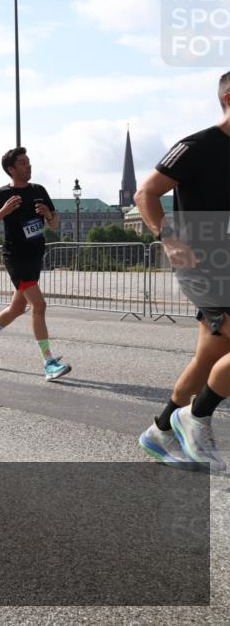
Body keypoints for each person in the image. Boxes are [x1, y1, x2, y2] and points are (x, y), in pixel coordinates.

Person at [135, 71, 230, 471]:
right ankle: (198, 415)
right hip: (203, 264)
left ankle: (160, 430)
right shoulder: (197, 146)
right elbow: (146, 193)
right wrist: (169, 238)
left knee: (210, 357)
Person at [0, 147, 71, 381]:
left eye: (29, 162)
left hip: (35, 257)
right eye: (23, 163)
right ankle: (48, 363)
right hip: (16, 257)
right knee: (39, 305)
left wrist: (49, 214)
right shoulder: (2, 194)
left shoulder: (39, 191)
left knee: (17, 308)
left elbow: (55, 225)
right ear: (11, 169)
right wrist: (3, 211)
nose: (29, 166)